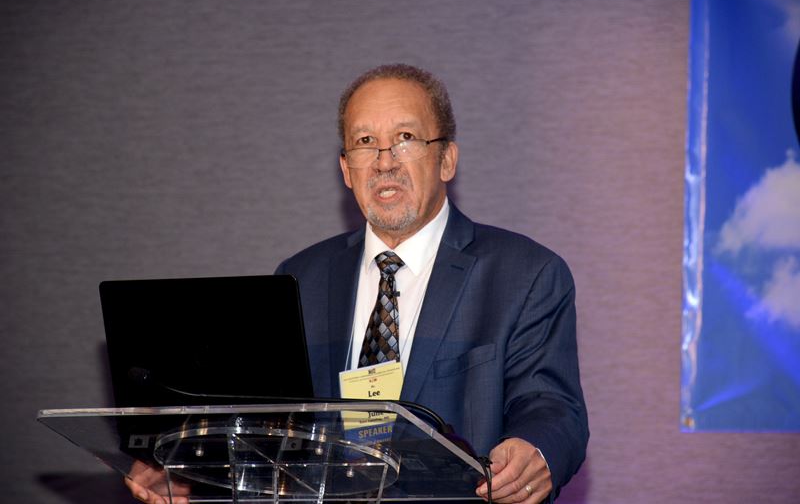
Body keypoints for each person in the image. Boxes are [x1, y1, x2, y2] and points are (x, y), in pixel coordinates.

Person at [127, 64, 588, 504]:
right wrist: (185, 466)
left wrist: (535, 450)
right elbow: (269, 432)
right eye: (366, 142)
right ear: (347, 170)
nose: (384, 162)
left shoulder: (524, 273)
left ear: (446, 159)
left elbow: (550, 406)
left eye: (405, 138)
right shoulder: (301, 276)